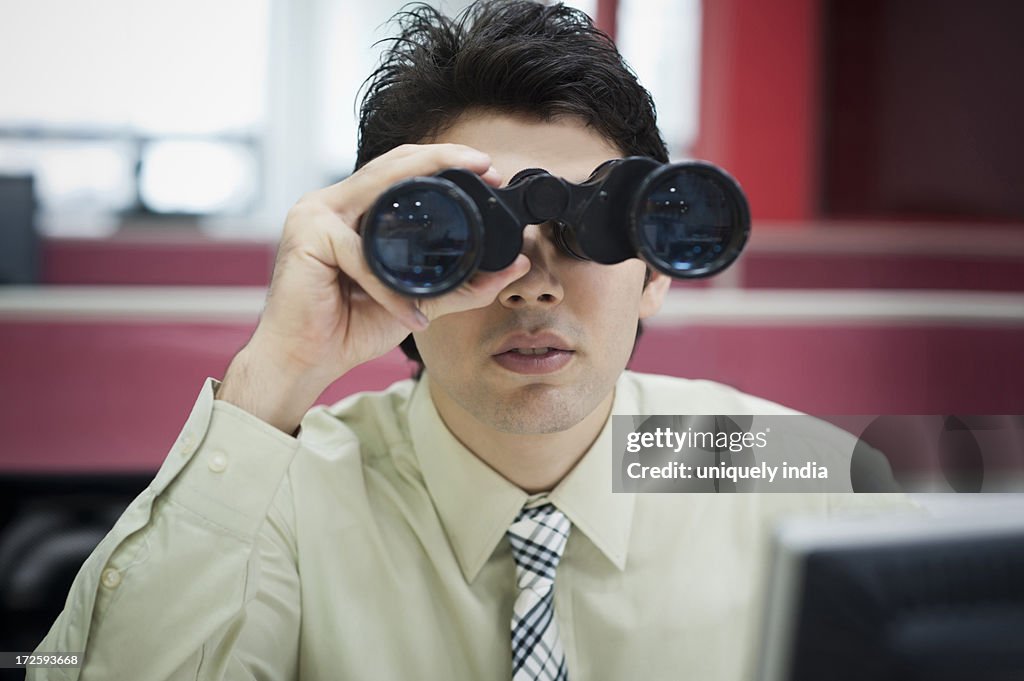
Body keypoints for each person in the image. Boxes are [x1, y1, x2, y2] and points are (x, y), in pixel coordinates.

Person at [31, 2, 915, 679]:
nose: (532, 282)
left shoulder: (781, 465)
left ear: (654, 266)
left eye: (592, 227)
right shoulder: (280, 493)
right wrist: (276, 371)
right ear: (395, 262)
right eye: (471, 239)